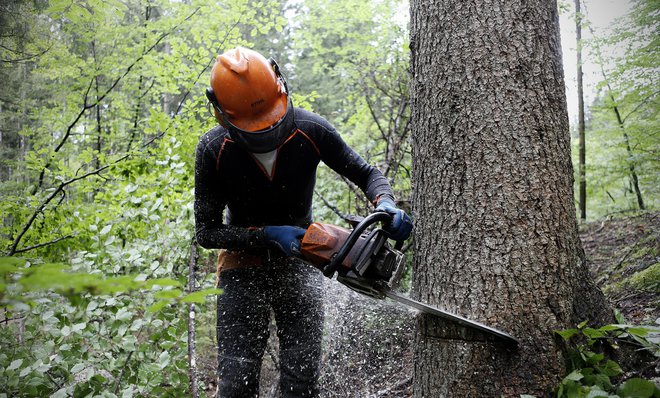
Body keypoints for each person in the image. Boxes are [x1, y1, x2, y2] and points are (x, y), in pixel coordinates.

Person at [194, 47, 412, 398]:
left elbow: (367, 173)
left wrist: (385, 203)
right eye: (255, 129)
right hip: (241, 265)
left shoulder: (310, 130)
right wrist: (266, 235)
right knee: (236, 381)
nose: (266, 132)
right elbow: (206, 231)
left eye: (271, 123)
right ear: (221, 113)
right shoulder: (213, 149)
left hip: (302, 258)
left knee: (301, 378)